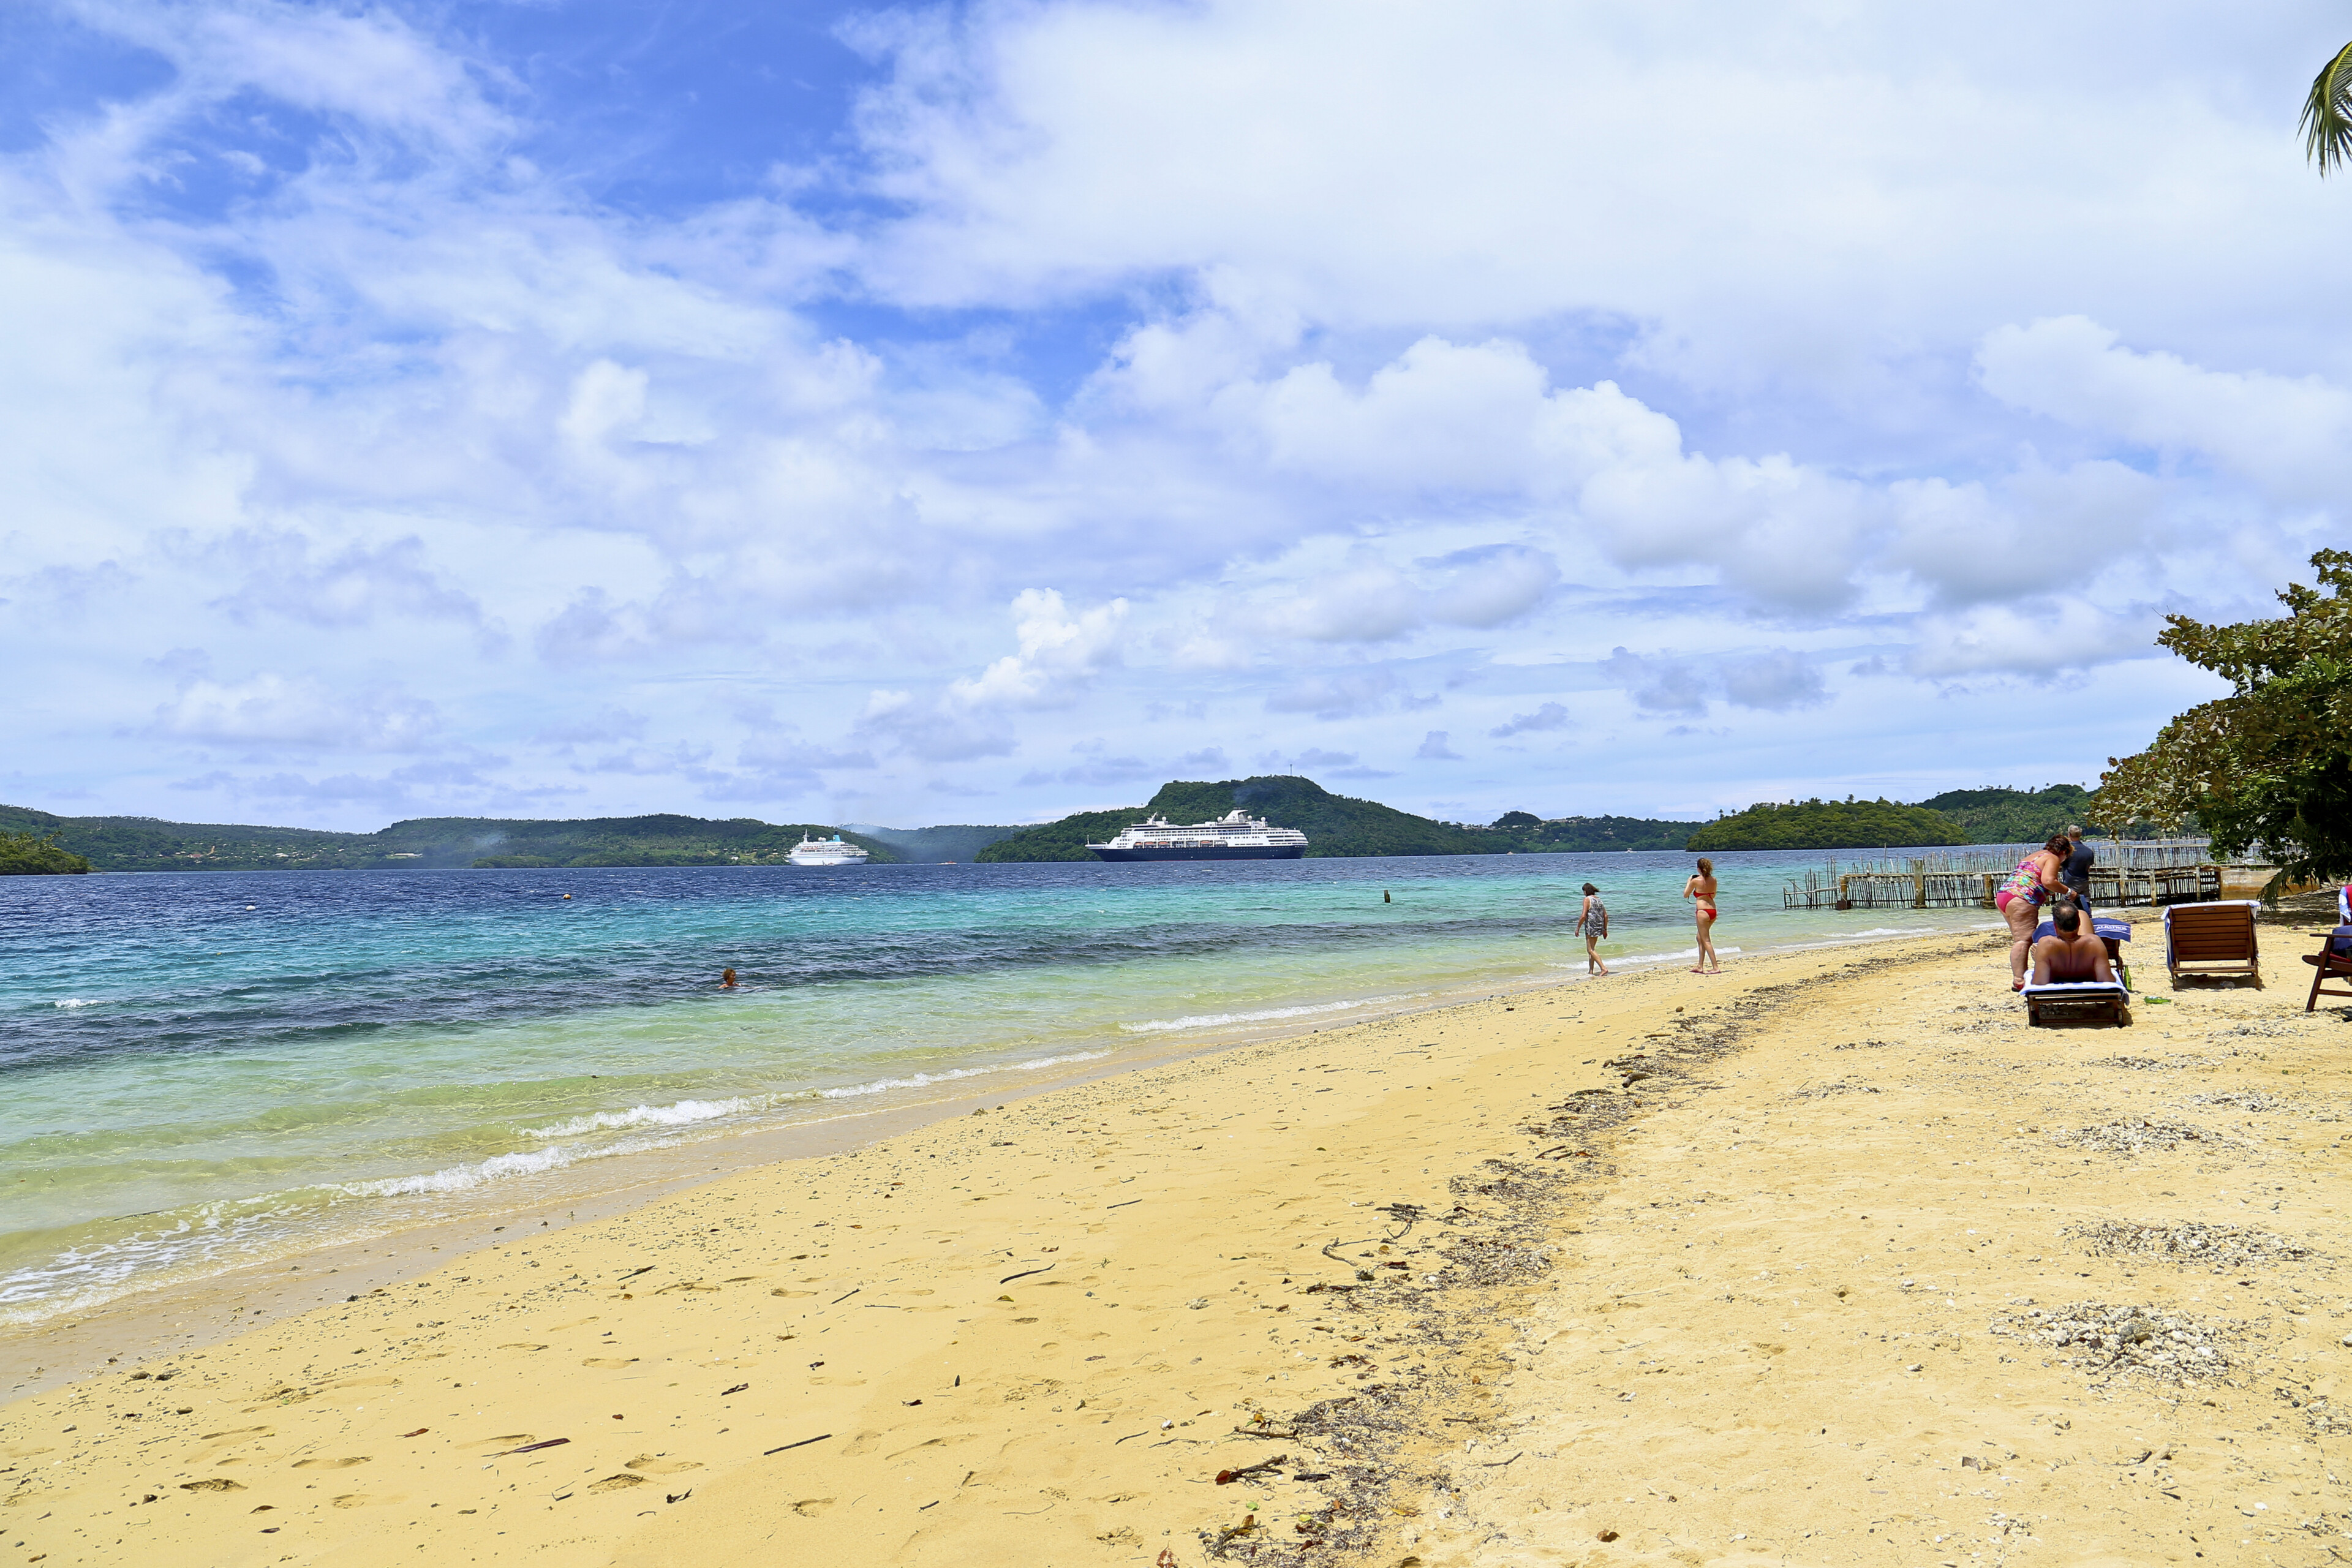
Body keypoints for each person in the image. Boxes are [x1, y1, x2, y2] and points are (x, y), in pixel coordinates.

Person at [1997, 835, 2073, 991]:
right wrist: (2068, 891)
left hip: (2004, 895)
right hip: (2022, 898)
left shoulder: (2033, 856)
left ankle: (2020, 978)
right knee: (2023, 941)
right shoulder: (2052, 858)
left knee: (2019, 940)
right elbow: (2049, 881)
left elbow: (2034, 879)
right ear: (2064, 851)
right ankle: (2019, 981)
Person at [2031, 900, 2115, 985]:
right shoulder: (2094, 942)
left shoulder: (2046, 944)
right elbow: (2107, 981)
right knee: (2082, 914)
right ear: (2079, 923)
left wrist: (2039, 959)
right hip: (2088, 991)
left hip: (2057, 992)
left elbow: (2039, 983)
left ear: (2055, 926)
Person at [1683, 858, 1721, 973]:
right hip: (1713, 911)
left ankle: (1716, 967)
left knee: (1706, 940)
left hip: (1702, 912)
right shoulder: (1714, 880)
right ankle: (1700, 966)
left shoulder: (1696, 881)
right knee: (1700, 938)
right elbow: (1713, 895)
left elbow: (1686, 895)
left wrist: (1689, 881)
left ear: (1699, 869)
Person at [1575, 882, 1610, 976]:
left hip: (1591, 926)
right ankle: (1591, 971)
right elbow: (1606, 916)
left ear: (1586, 891)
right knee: (1592, 949)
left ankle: (1603, 968)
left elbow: (1583, 916)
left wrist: (1578, 928)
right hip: (1599, 926)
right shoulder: (1599, 900)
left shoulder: (1587, 899)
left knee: (1590, 950)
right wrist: (1605, 929)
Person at [2060, 824, 2095, 910]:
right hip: (2084, 881)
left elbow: (2060, 863)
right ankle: (2088, 919)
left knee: (2067, 907)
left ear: (2069, 835)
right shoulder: (2089, 851)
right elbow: (2089, 866)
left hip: (2071, 882)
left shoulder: (2067, 851)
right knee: (2086, 904)